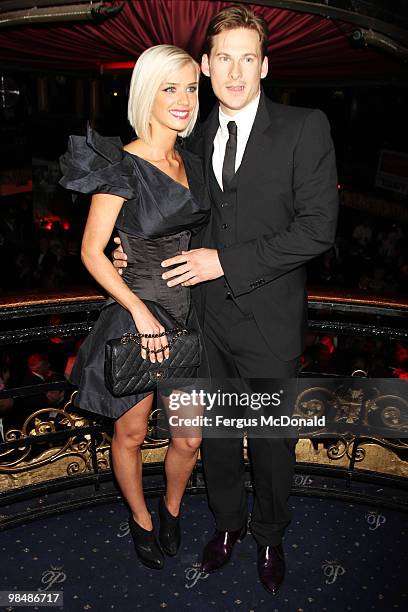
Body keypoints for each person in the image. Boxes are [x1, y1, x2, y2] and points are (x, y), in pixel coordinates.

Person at [113, 5, 339, 596]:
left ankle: (269, 533)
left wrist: (226, 262)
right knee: (212, 438)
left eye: (248, 58)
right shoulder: (194, 133)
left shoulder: (304, 125)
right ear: (208, 66)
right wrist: (130, 253)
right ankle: (229, 525)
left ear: (264, 66)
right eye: (224, 59)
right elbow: (181, 224)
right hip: (204, 322)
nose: (235, 72)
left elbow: (318, 228)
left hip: (269, 321)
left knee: (269, 442)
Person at [59, 45, 210, 571]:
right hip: (138, 317)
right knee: (132, 432)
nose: (184, 99)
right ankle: (141, 518)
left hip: (190, 317)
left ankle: (171, 509)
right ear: (148, 93)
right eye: (170, 88)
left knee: (189, 439)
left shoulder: (192, 162)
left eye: (191, 87)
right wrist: (139, 311)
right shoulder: (121, 165)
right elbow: (91, 251)